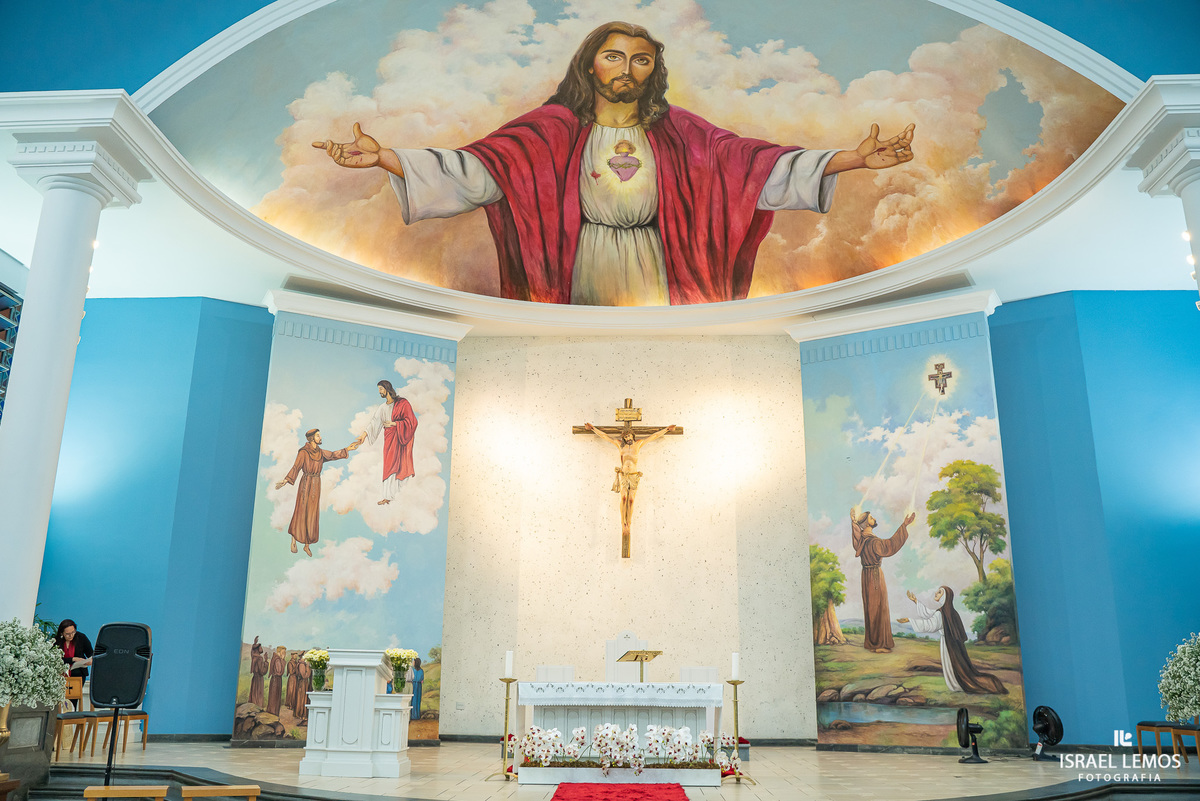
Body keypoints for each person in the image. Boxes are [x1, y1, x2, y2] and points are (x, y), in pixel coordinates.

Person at [313, 21, 915, 307]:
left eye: (642, 60)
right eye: (614, 56)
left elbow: (757, 168)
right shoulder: (548, 131)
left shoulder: (683, 135)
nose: (627, 69)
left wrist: (854, 159)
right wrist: (386, 157)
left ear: (655, 72)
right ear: (590, 65)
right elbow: (476, 172)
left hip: (660, 266)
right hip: (582, 269)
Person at [584, 422, 676, 556]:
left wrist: (667, 429)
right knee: (623, 497)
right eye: (625, 436)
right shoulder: (618, 445)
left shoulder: (638, 444)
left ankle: (629, 523)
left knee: (631, 500)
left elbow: (653, 436)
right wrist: (593, 428)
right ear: (623, 437)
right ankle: (623, 524)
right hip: (623, 475)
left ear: (633, 435)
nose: (628, 438)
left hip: (633, 476)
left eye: (629, 435)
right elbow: (605, 436)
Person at [898, 586, 1007, 694]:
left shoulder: (942, 613)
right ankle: (957, 684)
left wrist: (910, 620)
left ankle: (956, 685)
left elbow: (930, 624)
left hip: (948, 644)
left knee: (951, 664)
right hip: (956, 646)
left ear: (945, 596)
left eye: (940, 592)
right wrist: (916, 601)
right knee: (958, 665)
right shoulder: (950, 612)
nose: (936, 593)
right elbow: (930, 613)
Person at [275, 428, 360, 555]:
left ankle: (306, 545)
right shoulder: (303, 452)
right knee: (301, 511)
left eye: (319, 435)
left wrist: (347, 449)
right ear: (311, 438)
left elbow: (332, 455)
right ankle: (293, 540)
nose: (320, 438)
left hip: (316, 484)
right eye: (318, 436)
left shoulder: (320, 452)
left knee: (312, 514)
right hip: (305, 484)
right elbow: (296, 467)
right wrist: (286, 480)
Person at [851, 508, 916, 653]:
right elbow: (890, 545)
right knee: (878, 607)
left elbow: (856, 538)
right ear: (866, 523)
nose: (874, 519)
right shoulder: (874, 542)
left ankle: (873, 643)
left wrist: (853, 523)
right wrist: (904, 526)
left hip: (866, 576)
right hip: (875, 576)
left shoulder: (862, 541)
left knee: (872, 608)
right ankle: (878, 645)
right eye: (871, 517)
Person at [355, 380, 417, 505]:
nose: (379, 392)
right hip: (390, 441)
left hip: (402, 440)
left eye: (381, 389)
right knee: (389, 466)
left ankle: (402, 496)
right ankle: (388, 496)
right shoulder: (383, 408)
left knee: (402, 466)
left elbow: (412, 421)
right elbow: (374, 422)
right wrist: (363, 435)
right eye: (379, 389)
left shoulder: (403, 403)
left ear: (387, 388)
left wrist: (395, 424)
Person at [54, 620, 93, 708]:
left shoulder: (81, 637)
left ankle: (70, 719)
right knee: (60, 700)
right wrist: (73, 659)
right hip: (61, 674)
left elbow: (91, 653)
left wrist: (90, 661)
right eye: (67, 634)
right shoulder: (56, 641)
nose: (71, 635)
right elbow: (55, 659)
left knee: (73, 699)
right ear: (62, 633)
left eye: (73, 632)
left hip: (78, 674)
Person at [267, 645, 286, 716]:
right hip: (276, 680)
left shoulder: (275, 658)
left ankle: (273, 712)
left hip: (275, 680)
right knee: (274, 697)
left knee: (274, 696)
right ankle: (273, 713)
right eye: (283, 652)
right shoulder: (277, 659)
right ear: (279, 651)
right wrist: (283, 661)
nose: (284, 654)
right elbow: (279, 672)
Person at [248, 637, 268, 707]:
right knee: (258, 693)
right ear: (258, 649)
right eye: (260, 647)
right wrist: (266, 662)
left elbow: (252, 650)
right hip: (259, 679)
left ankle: (253, 706)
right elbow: (262, 671)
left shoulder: (254, 656)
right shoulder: (259, 658)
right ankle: (257, 707)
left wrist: (255, 643)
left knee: (254, 692)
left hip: (255, 678)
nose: (261, 648)